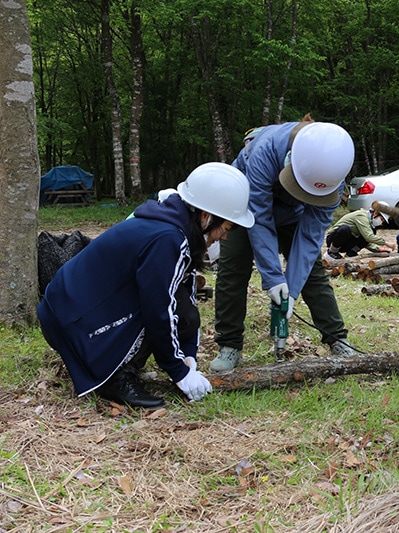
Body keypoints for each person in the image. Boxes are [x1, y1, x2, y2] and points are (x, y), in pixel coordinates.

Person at [37, 163, 255, 407]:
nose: (224, 237)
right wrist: (178, 371)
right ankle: (114, 377)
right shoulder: (167, 239)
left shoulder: (175, 230)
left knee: (184, 312)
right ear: (206, 216)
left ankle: (121, 362)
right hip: (70, 319)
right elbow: (158, 309)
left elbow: (185, 297)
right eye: (226, 228)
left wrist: (188, 356)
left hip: (72, 310)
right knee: (159, 309)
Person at [211, 118, 358, 372]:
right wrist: (273, 279)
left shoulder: (332, 176)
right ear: (292, 160)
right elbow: (259, 218)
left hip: (293, 212)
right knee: (232, 269)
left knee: (311, 271)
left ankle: (337, 338)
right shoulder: (264, 152)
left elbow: (310, 237)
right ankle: (229, 345)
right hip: (245, 205)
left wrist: (291, 290)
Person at [324, 204, 395, 259]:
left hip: (345, 243)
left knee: (371, 232)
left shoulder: (369, 222)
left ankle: (351, 254)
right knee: (345, 229)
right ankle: (332, 252)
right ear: (375, 213)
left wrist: (378, 249)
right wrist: (386, 243)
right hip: (333, 239)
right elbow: (368, 237)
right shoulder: (362, 216)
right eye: (381, 219)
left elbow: (366, 241)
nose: (381, 222)